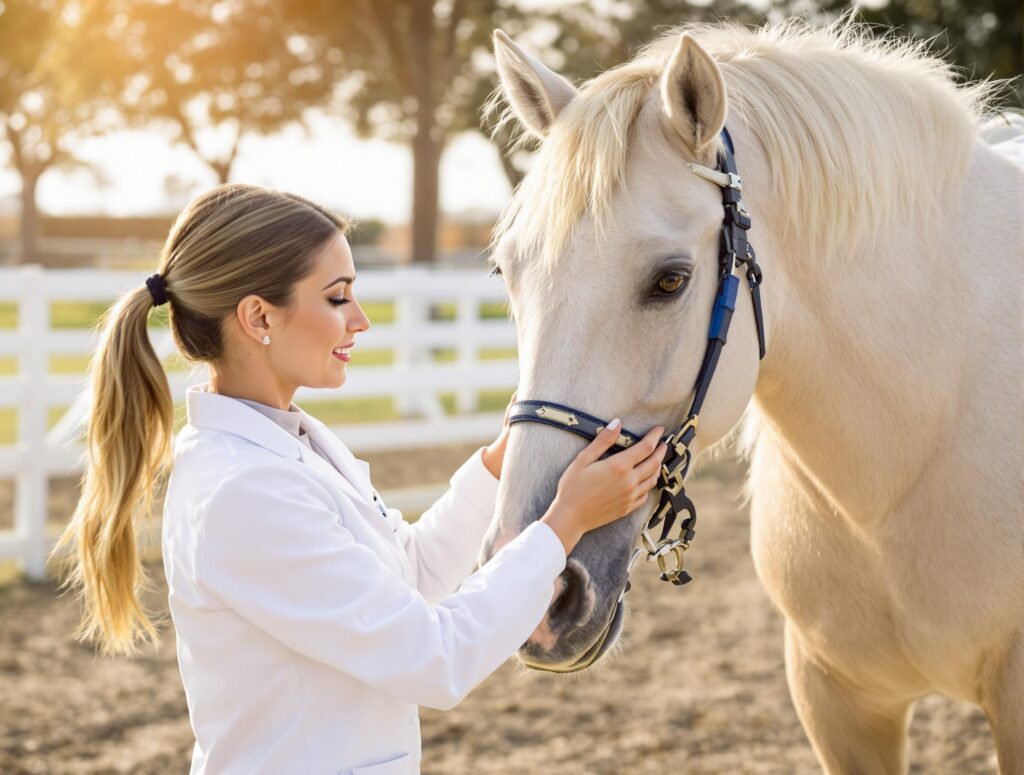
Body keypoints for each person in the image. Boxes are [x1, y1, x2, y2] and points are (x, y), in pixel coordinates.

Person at [51, 183, 667, 775]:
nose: (361, 320)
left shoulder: (294, 443)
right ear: (259, 316)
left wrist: (495, 465)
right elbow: (434, 659)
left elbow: (413, 576)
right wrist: (562, 526)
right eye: (338, 296)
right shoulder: (242, 493)